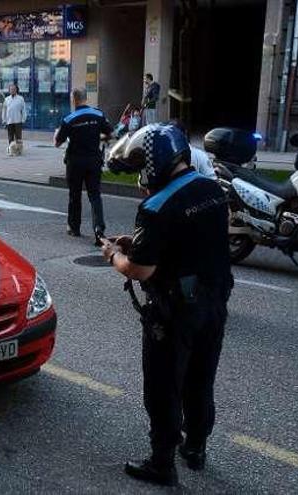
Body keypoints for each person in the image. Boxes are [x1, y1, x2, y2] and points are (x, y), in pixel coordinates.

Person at [101, 124, 233, 487]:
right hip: (215, 302)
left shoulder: (157, 206)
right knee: (201, 378)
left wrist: (114, 254)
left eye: (142, 163)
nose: (141, 174)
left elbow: (140, 270)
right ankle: (195, 448)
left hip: (174, 312)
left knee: (163, 387)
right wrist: (142, 242)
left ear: (155, 161)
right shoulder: (212, 190)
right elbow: (193, 239)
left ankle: (161, 463)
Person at [54, 88, 113, 245]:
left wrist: (57, 135)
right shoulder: (98, 115)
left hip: (75, 162)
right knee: (95, 196)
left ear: (74, 99)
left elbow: (57, 142)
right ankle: (99, 230)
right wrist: (97, 136)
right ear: (86, 99)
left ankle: (74, 227)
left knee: (75, 195)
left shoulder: (69, 119)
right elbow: (110, 133)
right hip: (94, 161)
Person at [2, 84, 27, 152]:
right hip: (9, 121)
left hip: (18, 121)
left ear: (16, 90)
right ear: (9, 91)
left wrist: (23, 119)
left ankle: (19, 150)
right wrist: (4, 120)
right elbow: (4, 110)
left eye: (14, 89)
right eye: (11, 89)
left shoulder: (20, 99)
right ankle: (11, 150)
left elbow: (23, 110)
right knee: (10, 137)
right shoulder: (7, 99)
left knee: (18, 138)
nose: (12, 90)